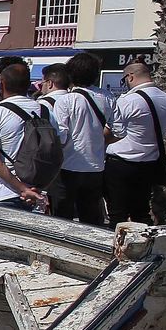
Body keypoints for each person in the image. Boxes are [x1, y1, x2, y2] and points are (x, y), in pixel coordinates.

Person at [0, 61, 65, 212]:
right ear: (29, 85)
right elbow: (57, 154)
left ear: (2, 84)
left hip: (3, 193)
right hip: (38, 194)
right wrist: (37, 189)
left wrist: (23, 188)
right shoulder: (46, 112)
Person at [104, 61, 166, 224]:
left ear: (130, 77)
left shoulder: (128, 100)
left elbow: (109, 132)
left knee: (117, 214)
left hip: (121, 163)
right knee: (141, 213)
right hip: (149, 164)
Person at [46, 60, 110, 225]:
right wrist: (97, 142)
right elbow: (118, 130)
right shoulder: (107, 98)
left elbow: (62, 136)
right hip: (96, 166)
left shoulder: (66, 101)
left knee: (62, 217)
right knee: (90, 217)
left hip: (68, 165)